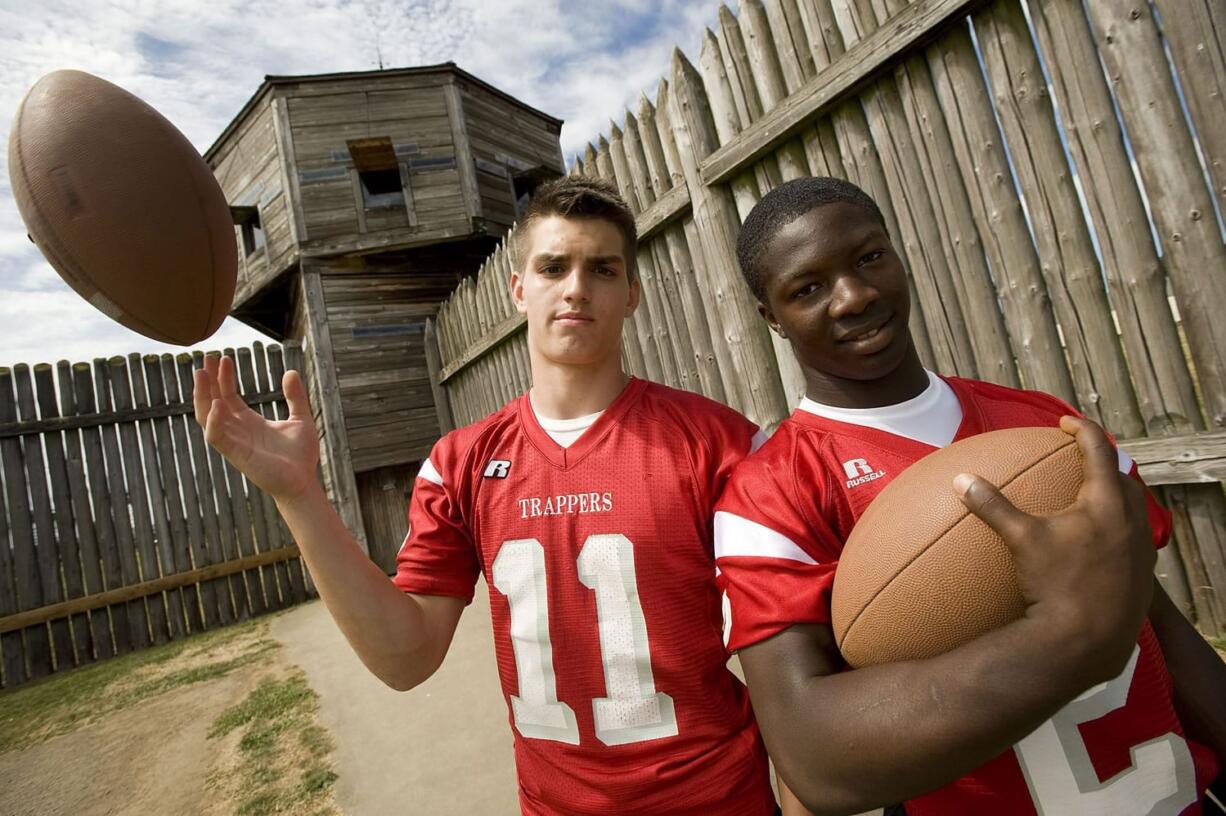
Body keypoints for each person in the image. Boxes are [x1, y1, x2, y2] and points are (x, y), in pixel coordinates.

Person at [193, 177, 779, 815]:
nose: (576, 287)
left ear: (632, 293)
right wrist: (300, 496)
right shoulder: (461, 464)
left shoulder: (718, 444)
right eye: (553, 267)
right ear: (519, 288)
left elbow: (789, 662)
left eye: (602, 269)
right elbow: (406, 657)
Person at [714, 176, 1226, 816]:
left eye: (870, 257)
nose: (854, 297)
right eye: (807, 289)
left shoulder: (1049, 426)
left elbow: (1158, 625)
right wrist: (1067, 640)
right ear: (773, 319)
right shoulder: (771, 493)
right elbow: (817, 760)